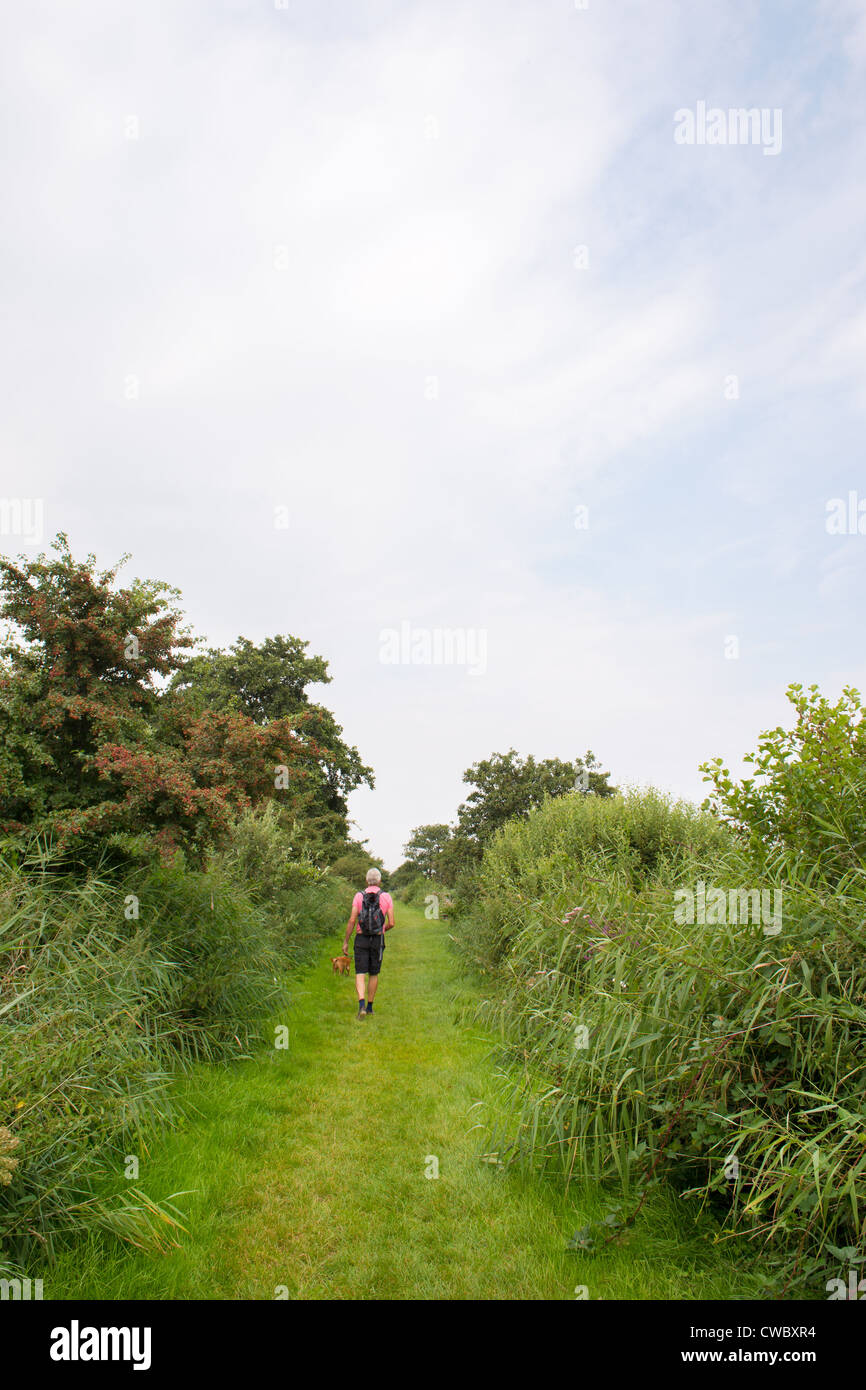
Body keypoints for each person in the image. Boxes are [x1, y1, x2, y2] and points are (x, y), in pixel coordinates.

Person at [342, 868, 394, 1021]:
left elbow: (352, 920)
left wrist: (346, 941)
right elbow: (392, 922)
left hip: (361, 938)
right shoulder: (386, 897)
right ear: (379, 881)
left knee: (360, 972)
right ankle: (370, 1008)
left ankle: (361, 1005)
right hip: (377, 940)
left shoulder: (359, 896)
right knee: (374, 973)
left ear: (366, 881)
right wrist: (380, 930)